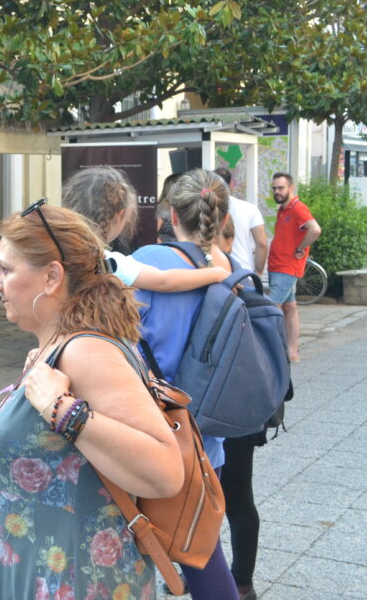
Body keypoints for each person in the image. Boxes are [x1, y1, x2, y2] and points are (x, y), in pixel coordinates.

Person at [0, 202, 183, 598]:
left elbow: (166, 470)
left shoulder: (85, 352)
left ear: (52, 276)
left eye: (5, 269)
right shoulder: (61, 349)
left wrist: (62, 409)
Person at [131, 169, 241, 600]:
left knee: (131, 544)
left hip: (146, 429)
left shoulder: (146, 260)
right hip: (205, 435)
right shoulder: (228, 267)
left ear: (171, 215)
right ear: (223, 216)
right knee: (201, 548)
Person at [62, 167, 229, 292]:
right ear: (121, 214)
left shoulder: (58, 252)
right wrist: (216, 274)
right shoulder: (111, 263)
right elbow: (163, 281)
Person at [267, 172, 321, 363]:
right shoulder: (283, 209)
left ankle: (271, 352)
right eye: (274, 188)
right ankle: (291, 351)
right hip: (278, 266)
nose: (277, 191)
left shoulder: (297, 208)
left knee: (271, 308)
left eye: (281, 188)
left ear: (291, 188)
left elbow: (315, 229)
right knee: (290, 307)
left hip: (286, 267)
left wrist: (300, 248)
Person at [213, 167, 267, 274]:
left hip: (215, 270)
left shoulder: (206, 209)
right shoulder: (250, 209)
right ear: (231, 184)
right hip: (244, 270)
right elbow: (262, 244)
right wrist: (258, 272)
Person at [156, 173, 183, 243]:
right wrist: (163, 247)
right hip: (167, 246)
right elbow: (152, 233)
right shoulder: (162, 208)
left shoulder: (183, 206)